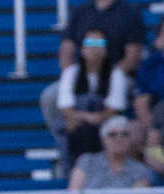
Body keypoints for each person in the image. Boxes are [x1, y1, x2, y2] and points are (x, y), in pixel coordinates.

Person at [52, 33, 133, 170]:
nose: (94, 48)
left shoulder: (116, 74)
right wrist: (88, 117)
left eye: (100, 44)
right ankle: (73, 170)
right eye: (89, 43)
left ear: (106, 50)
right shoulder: (71, 72)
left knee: (115, 130)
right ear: (82, 49)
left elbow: (114, 109)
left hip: (105, 120)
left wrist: (97, 118)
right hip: (80, 121)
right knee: (71, 126)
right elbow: (66, 108)